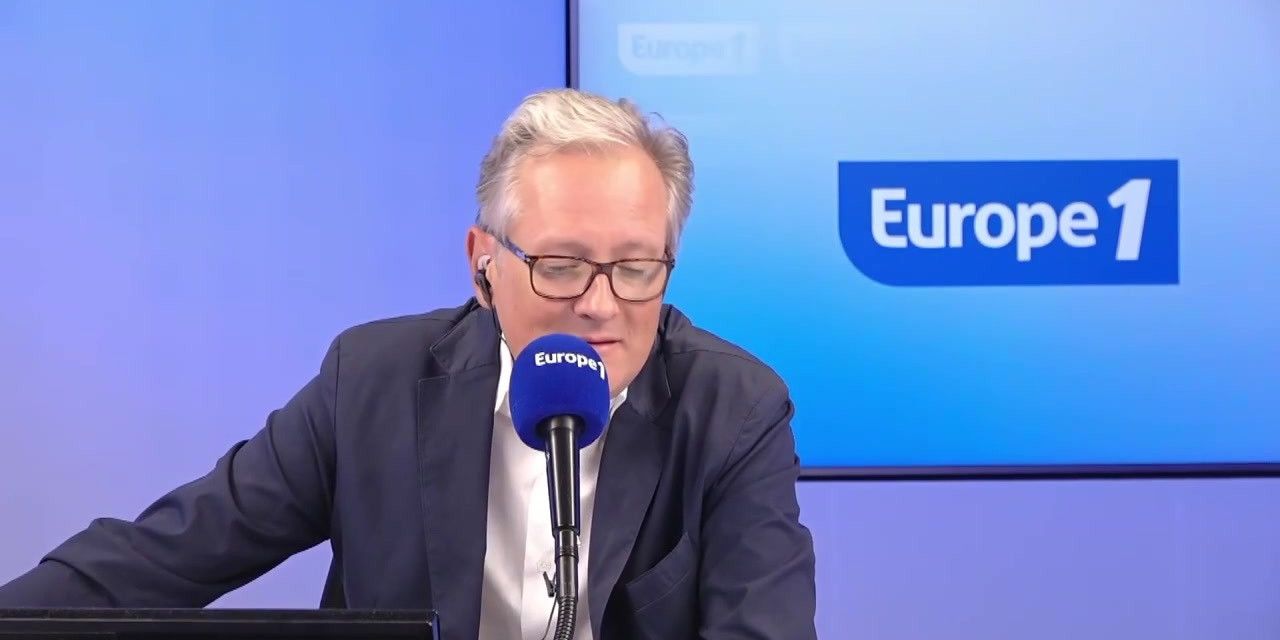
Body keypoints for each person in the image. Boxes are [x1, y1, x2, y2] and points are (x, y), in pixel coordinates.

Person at [0, 88, 817, 640]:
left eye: (636, 268)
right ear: (483, 264)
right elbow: (164, 556)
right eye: (562, 266)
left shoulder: (734, 411)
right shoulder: (373, 382)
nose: (601, 305)